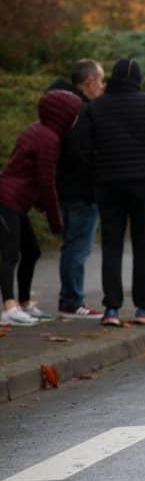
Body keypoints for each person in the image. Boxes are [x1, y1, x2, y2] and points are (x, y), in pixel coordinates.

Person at [67, 58, 145, 326]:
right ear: (138, 78)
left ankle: (111, 308)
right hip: (143, 183)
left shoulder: (95, 106)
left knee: (111, 245)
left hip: (108, 183)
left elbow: (78, 145)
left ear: (112, 77)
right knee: (142, 244)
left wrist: (97, 167)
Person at [0, 91, 81, 326]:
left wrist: (38, 204)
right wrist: (56, 221)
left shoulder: (37, 130)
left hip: (16, 200)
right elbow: (46, 182)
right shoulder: (48, 139)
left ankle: (24, 303)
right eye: (73, 114)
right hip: (8, 200)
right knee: (9, 253)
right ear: (62, 115)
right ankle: (10, 307)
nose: (75, 120)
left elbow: (25, 169)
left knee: (32, 251)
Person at [49, 59, 106, 319]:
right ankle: (72, 301)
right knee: (78, 247)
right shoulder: (80, 112)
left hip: (67, 186)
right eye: (101, 80)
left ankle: (70, 298)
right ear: (89, 81)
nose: (103, 86)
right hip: (81, 191)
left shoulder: (63, 108)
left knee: (73, 244)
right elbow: (83, 154)